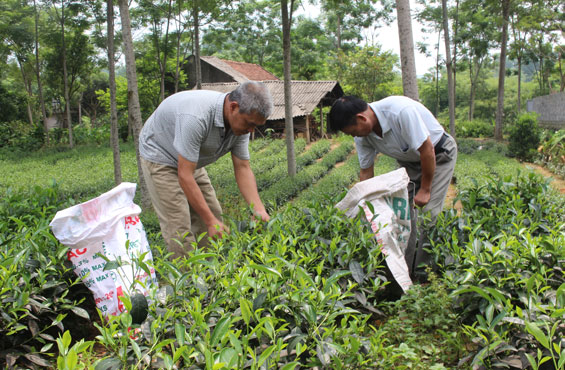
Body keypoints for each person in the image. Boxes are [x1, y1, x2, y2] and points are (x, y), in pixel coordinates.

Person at [139, 81, 273, 259]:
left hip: (190, 158)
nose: (251, 130)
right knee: (179, 226)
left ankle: (210, 274)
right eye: (249, 124)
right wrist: (210, 221)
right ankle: (186, 282)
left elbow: (242, 167)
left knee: (213, 214)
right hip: (161, 155)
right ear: (233, 107)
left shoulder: (242, 125)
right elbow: (185, 175)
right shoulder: (197, 117)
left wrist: (258, 209)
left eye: (255, 126)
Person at [329, 95, 457, 280]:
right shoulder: (363, 136)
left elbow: (427, 150)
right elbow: (366, 172)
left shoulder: (400, 111)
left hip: (438, 155)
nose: (354, 136)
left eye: (352, 132)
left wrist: (425, 190)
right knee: (402, 216)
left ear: (361, 118)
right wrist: (364, 203)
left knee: (429, 214)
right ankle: (402, 274)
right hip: (409, 163)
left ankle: (425, 275)